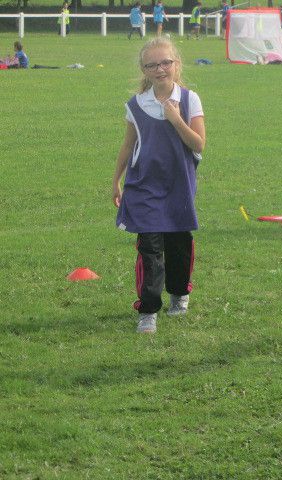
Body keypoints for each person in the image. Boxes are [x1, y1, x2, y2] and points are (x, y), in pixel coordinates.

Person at [112, 37, 206, 334]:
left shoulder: (190, 99)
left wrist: (176, 118)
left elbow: (198, 143)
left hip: (178, 187)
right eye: (152, 64)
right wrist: (116, 181)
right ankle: (148, 311)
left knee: (178, 246)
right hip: (143, 187)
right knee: (150, 248)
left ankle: (179, 293)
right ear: (144, 69)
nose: (160, 69)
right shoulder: (135, 105)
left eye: (165, 62)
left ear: (176, 64)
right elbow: (128, 146)